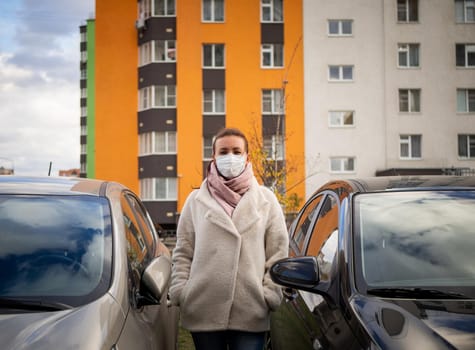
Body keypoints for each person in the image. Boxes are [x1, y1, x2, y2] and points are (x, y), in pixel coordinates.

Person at [170, 127, 289, 350]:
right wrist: (181, 290)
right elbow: (183, 251)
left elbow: (278, 253)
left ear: (247, 156)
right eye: (223, 152)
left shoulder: (266, 200)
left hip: (251, 309)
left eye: (236, 151)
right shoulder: (195, 201)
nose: (230, 157)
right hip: (203, 306)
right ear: (213, 156)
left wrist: (270, 293)